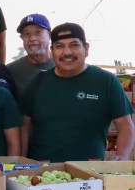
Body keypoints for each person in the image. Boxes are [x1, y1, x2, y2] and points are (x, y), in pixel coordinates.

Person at [21, 23, 134, 162]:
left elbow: (125, 125)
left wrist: (122, 155)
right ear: (52, 51)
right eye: (59, 46)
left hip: (89, 171)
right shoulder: (37, 82)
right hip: (43, 170)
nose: (67, 52)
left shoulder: (106, 81)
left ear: (86, 49)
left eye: (74, 45)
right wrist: (22, 162)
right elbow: (23, 128)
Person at [7, 14, 55, 98]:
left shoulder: (64, 65)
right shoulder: (11, 71)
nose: (32, 38)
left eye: (38, 32)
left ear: (49, 35)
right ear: (22, 37)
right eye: (27, 34)